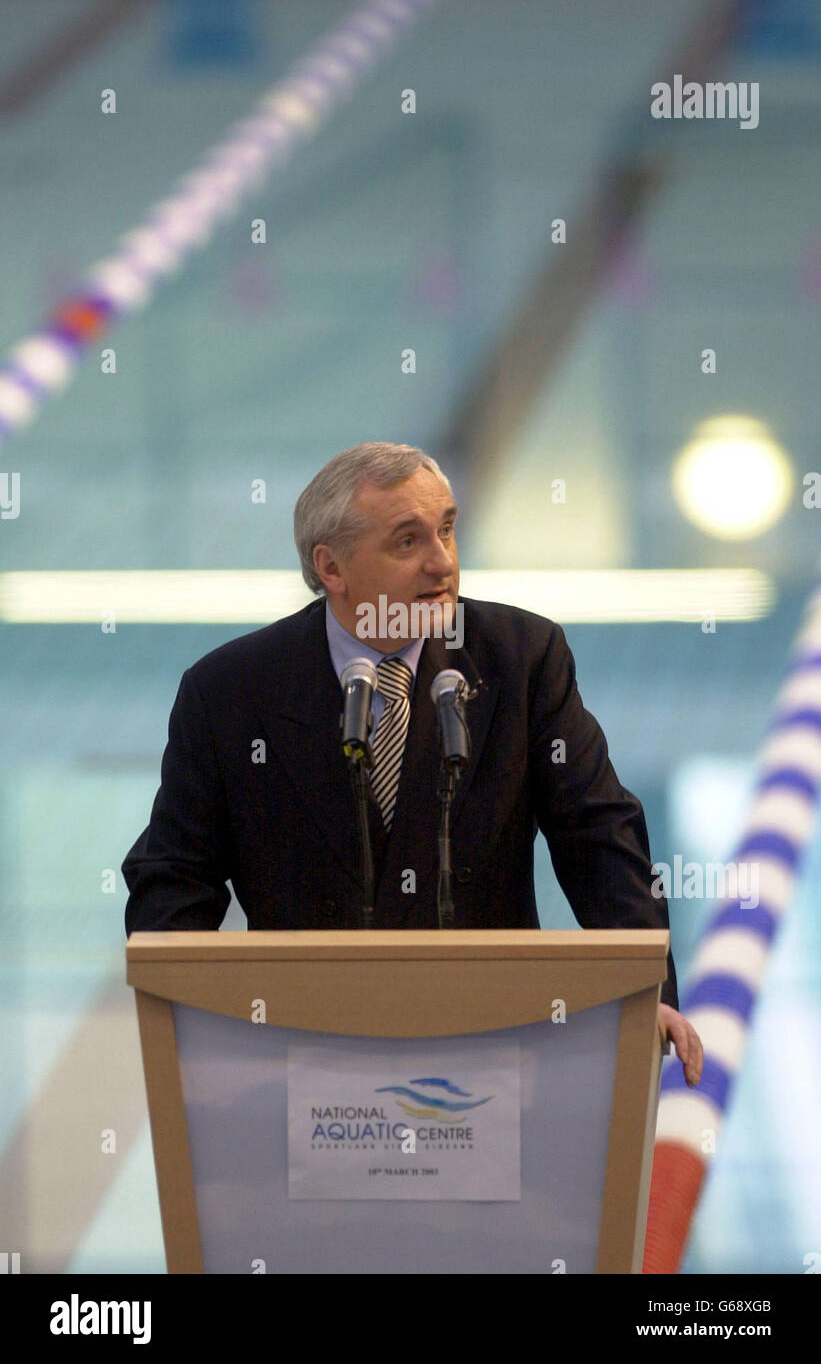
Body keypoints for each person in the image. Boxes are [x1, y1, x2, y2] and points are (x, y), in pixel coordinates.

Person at [122, 442, 702, 1086]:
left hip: (494, 1047)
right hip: (302, 1056)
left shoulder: (521, 657)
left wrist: (649, 991)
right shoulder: (232, 691)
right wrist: (185, 1020)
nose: (443, 562)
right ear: (333, 568)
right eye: (408, 542)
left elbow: (597, 832)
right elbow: (176, 873)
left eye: (448, 529)